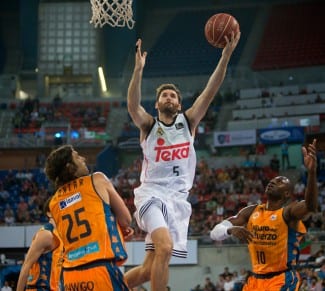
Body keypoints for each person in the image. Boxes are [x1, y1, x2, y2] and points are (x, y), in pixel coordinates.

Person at [124, 32, 240, 291]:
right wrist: (138, 70)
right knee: (164, 247)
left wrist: (226, 55)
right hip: (151, 195)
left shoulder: (188, 121)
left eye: (172, 96)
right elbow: (132, 105)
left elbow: (211, 90)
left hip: (177, 199)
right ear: (156, 104)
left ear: (179, 104)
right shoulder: (149, 125)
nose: (168, 98)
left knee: (146, 271)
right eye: (164, 95)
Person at [210, 139, 318, 290]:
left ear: (287, 193)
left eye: (280, 181)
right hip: (256, 279)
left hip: (281, 278)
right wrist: (230, 230)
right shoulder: (250, 211)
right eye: (273, 180)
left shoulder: (288, 212)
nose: (273, 182)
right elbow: (214, 233)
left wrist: (312, 173)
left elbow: (311, 206)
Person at [44, 145, 134, 290]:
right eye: (77, 157)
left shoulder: (54, 202)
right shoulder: (96, 180)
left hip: (69, 277)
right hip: (99, 268)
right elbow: (126, 220)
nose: (83, 158)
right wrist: (119, 230)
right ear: (69, 167)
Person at [16, 197, 63, 291]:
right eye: (57, 207)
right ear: (49, 213)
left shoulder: (62, 235)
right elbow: (26, 266)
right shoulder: (45, 234)